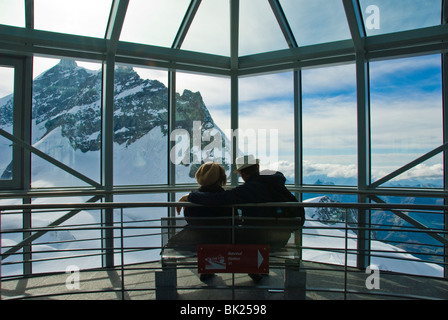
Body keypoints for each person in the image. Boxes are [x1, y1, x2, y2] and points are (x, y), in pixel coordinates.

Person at [186, 155, 298, 248]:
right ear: (257, 167)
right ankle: (257, 270)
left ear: (242, 174)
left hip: (264, 237)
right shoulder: (273, 181)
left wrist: (190, 196)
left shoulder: (250, 188)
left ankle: (253, 268)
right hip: (282, 232)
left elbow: (218, 199)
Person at [167, 162, 233, 249]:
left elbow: (189, 219)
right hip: (223, 240)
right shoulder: (226, 198)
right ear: (221, 179)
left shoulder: (192, 199)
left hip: (197, 241)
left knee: (171, 243)